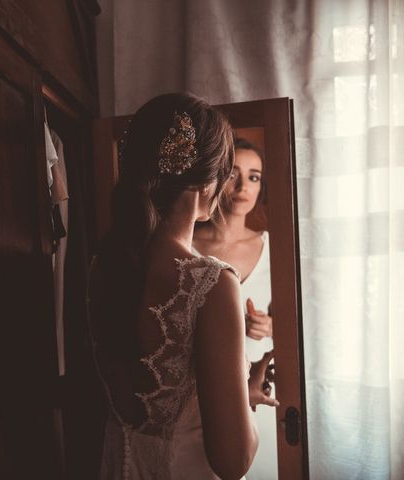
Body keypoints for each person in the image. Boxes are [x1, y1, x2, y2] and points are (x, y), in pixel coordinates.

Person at [88, 93, 276, 479]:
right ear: (211, 181)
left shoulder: (103, 264)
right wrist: (245, 391)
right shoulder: (210, 282)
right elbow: (232, 461)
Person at [193, 138, 278, 479]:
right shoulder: (186, 245)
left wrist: (271, 326)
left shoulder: (273, 245)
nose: (243, 186)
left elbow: (301, 320)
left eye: (254, 177)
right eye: (233, 175)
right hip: (200, 391)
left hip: (258, 388)